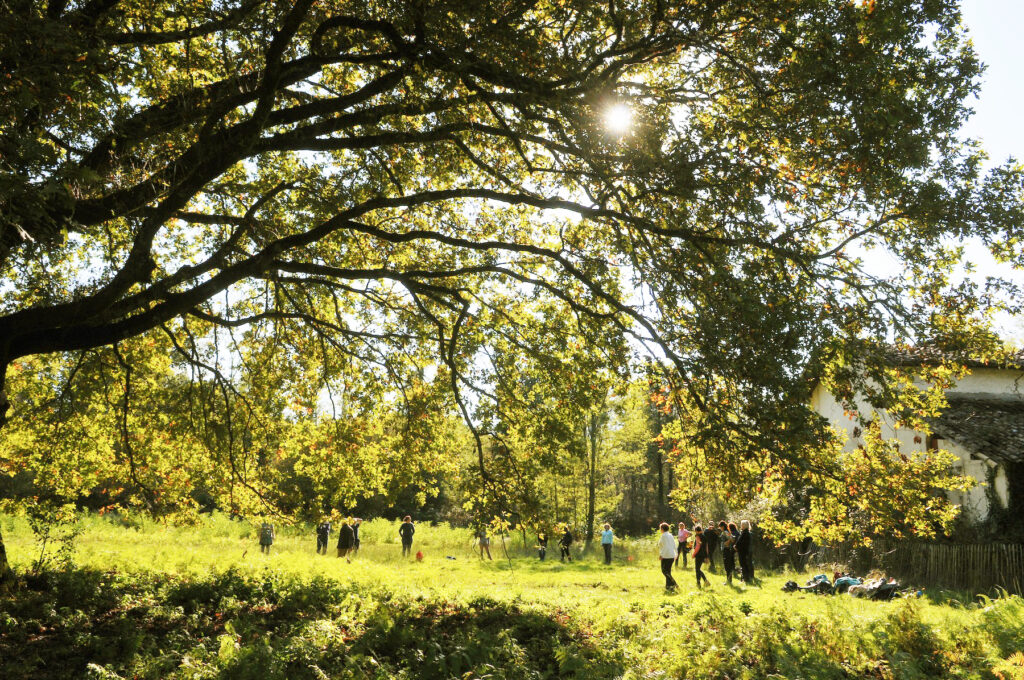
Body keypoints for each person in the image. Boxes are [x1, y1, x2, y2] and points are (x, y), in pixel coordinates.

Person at [658, 522, 678, 590]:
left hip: (666, 555)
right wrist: (676, 553)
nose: (660, 530)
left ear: (662, 529)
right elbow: (674, 545)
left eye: (660, 528)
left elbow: (665, 546)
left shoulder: (664, 536)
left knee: (664, 571)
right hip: (671, 555)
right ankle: (669, 587)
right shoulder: (670, 535)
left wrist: (661, 555)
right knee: (668, 571)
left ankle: (674, 583)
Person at [720, 520, 737, 585]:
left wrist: (728, 541)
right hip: (728, 550)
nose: (720, 528)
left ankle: (729, 581)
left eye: (720, 527)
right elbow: (733, 539)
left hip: (726, 550)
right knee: (728, 566)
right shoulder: (728, 532)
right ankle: (729, 580)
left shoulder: (725, 532)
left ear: (722, 527)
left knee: (727, 566)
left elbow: (731, 540)